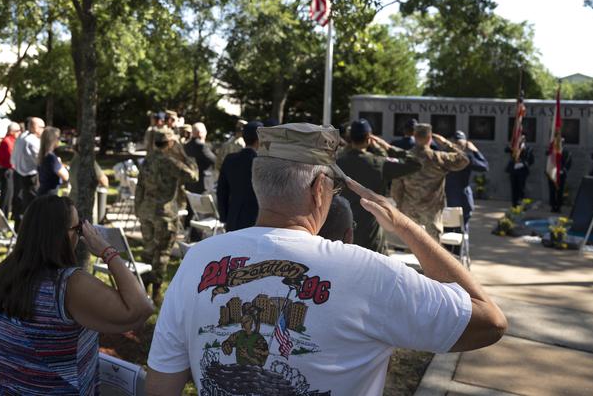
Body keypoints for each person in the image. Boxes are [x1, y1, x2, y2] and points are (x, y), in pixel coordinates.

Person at [145, 122, 507, 395]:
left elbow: (161, 386)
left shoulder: (197, 260)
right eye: (332, 188)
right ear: (320, 190)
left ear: (260, 183)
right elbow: (490, 320)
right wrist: (404, 226)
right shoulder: (369, 273)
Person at [0, 195, 154, 394]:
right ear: (60, 235)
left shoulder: (1, 274)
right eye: (78, 229)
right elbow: (141, 309)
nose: (80, 235)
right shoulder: (68, 285)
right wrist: (107, 251)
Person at [337, 119, 420, 253]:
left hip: (342, 235)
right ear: (369, 138)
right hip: (371, 238)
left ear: (350, 138)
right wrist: (387, 147)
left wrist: (348, 147)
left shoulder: (338, 162)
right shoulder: (379, 163)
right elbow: (415, 163)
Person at [135, 128, 197, 303]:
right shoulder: (170, 162)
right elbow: (193, 176)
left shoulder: (147, 161)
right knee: (162, 254)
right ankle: (156, 293)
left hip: (146, 211)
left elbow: (139, 186)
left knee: (148, 251)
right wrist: (185, 156)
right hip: (165, 214)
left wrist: (138, 208)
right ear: (170, 144)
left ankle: (143, 289)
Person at [398, 124, 470, 241]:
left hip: (409, 210)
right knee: (432, 251)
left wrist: (399, 204)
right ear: (430, 138)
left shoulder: (405, 157)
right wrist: (445, 143)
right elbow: (464, 160)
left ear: (414, 136)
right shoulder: (438, 158)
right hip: (432, 213)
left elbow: (397, 185)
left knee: (410, 249)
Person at [216, 121, 262, 231]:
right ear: (260, 139)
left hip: (233, 217)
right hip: (256, 220)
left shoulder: (230, 159)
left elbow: (221, 191)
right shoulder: (261, 162)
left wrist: (224, 217)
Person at [445, 131, 489, 228]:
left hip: (448, 199)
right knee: (462, 229)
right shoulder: (467, 158)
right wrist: (475, 151)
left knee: (449, 230)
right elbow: (484, 166)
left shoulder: (444, 157)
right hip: (462, 200)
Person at [11, 117, 44, 230]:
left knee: (22, 203)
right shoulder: (32, 140)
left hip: (19, 173)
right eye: (42, 127)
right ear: (36, 128)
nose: (43, 130)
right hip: (30, 176)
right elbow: (41, 160)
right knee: (31, 206)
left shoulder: (21, 136)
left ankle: (19, 228)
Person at [184, 122, 217, 194]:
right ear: (200, 133)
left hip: (190, 183)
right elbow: (214, 161)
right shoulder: (201, 146)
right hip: (202, 184)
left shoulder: (186, 146)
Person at [0, 122, 21, 216]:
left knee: (10, 195)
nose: (19, 133)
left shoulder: (13, 140)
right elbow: (12, 157)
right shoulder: (7, 141)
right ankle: (2, 217)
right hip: (7, 171)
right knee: (6, 196)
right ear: (11, 131)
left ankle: (7, 215)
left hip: (10, 170)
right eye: (18, 131)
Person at [37, 126, 69, 197]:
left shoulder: (42, 155)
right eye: (58, 138)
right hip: (50, 195)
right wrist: (60, 163)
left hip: (42, 192)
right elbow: (65, 176)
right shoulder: (51, 158)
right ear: (53, 140)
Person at [505, 135, 534, 207]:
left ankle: (521, 204)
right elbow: (506, 149)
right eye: (518, 139)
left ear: (524, 140)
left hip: (522, 171)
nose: (520, 140)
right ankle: (514, 204)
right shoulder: (514, 147)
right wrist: (513, 146)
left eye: (521, 139)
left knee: (521, 188)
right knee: (514, 188)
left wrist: (523, 164)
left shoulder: (528, 149)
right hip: (513, 170)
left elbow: (531, 160)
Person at [545, 141, 571, 212]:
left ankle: (559, 207)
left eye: (561, 142)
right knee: (552, 191)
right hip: (552, 173)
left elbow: (568, 162)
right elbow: (547, 154)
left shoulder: (566, 152)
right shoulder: (552, 151)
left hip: (561, 174)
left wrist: (563, 170)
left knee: (560, 191)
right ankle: (553, 206)